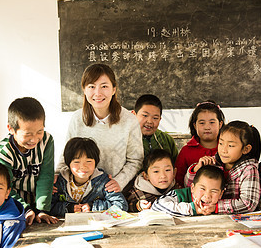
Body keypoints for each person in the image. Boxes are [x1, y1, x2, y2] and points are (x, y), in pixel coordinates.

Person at [55, 64, 143, 193]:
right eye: (91, 86)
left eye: (104, 86)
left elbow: (135, 160)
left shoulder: (129, 120)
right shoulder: (77, 119)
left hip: (113, 190)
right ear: (84, 90)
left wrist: (119, 182)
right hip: (81, 192)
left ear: (114, 89)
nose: (98, 93)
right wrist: (57, 175)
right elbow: (67, 154)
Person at [0, 97, 58, 225]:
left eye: (39, 131)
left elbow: (46, 175)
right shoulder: (2, 154)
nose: (34, 139)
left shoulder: (47, 140)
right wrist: (25, 209)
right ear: (11, 129)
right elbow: (4, 189)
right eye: (28, 134)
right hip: (13, 206)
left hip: (39, 203)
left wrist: (42, 210)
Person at [185, 121, 261, 214]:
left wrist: (216, 207)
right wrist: (196, 169)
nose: (223, 150)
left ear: (246, 149)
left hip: (237, 221)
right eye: (221, 143)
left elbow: (248, 204)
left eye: (230, 145)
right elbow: (189, 187)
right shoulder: (212, 162)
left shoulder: (249, 170)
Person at [50, 137, 128, 217]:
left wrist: (92, 207)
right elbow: (48, 206)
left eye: (88, 161)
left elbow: (121, 205)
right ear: (68, 164)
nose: (83, 166)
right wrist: (68, 208)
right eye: (76, 162)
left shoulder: (103, 181)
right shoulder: (60, 182)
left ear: (96, 162)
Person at [175, 101, 225, 187]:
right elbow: (178, 182)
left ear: (220, 124)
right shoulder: (186, 151)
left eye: (212, 122)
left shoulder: (227, 149)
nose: (207, 127)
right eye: (202, 123)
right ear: (195, 125)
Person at [151, 165, 225, 216]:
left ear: (221, 194)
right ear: (192, 188)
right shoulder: (180, 195)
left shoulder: (222, 204)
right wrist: (192, 209)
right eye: (202, 189)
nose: (207, 196)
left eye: (214, 191)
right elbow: (157, 205)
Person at [131, 94, 178, 162]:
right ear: (133, 115)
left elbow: (176, 168)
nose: (150, 121)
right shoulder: (124, 139)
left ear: (160, 119)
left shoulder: (167, 140)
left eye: (155, 118)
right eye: (145, 115)